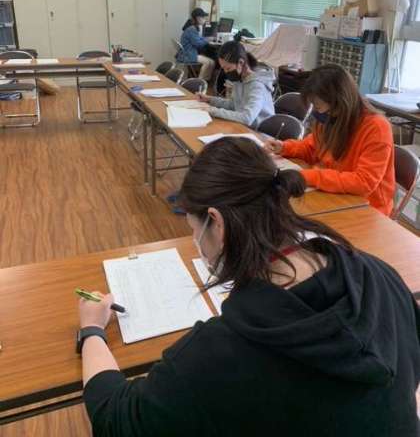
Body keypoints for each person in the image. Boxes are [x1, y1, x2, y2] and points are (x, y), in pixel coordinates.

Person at [80, 138, 420, 436]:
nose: (195, 240)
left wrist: (92, 329)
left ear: (216, 222)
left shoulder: (218, 354)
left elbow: (114, 419)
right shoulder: (378, 274)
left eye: (193, 228)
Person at [265, 64, 395, 215]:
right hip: (335, 194)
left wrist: (308, 176)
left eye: (318, 107)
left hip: (367, 208)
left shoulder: (376, 127)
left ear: (339, 103)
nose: (316, 112)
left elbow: (363, 182)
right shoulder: (331, 119)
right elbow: (311, 148)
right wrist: (284, 147)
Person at [198, 40, 275, 129]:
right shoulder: (239, 79)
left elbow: (247, 117)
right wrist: (210, 99)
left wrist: (213, 111)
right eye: (223, 68)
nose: (226, 72)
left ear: (241, 63)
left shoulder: (257, 85)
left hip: (259, 132)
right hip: (243, 127)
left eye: (228, 68)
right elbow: (233, 105)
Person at [177, 8, 215, 81]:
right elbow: (198, 44)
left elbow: (198, 38)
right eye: (203, 17)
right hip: (188, 55)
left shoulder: (192, 27)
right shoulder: (192, 29)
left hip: (187, 53)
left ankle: (205, 81)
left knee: (212, 62)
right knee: (208, 62)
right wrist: (207, 40)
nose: (204, 19)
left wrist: (205, 39)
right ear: (198, 18)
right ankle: (199, 81)